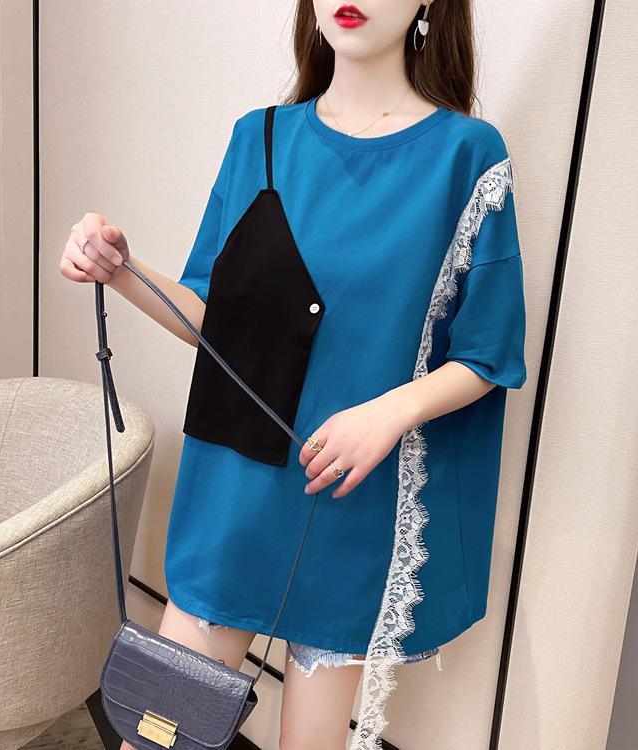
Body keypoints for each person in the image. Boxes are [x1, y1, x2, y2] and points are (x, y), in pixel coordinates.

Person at [60, 1, 527, 748]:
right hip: (234, 497)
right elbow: (214, 318)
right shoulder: (260, 138)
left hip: (347, 501)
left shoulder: (465, 155)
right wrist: (118, 270)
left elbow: (488, 354)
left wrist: (385, 414)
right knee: (160, 736)